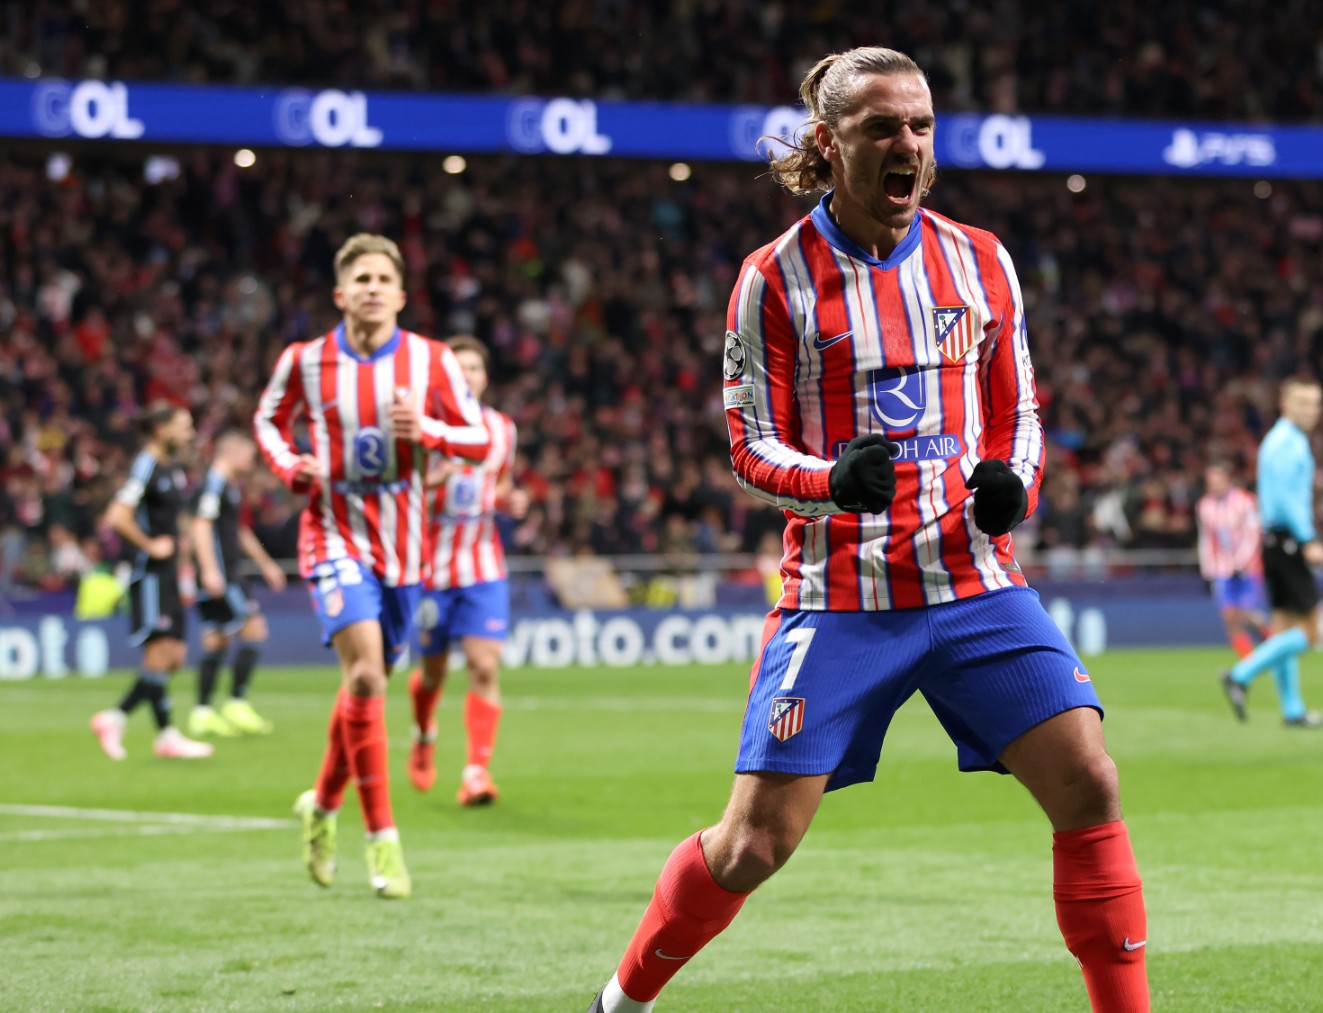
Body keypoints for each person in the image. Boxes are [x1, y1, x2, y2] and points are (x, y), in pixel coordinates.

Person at [586, 47, 1149, 1013]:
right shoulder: (772, 279)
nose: (909, 146)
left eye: (921, 126)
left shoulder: (981, 259)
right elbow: (750, 445)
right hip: (840, 598)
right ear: (829, 141)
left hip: (975, 582)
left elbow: (1017, 409)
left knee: (1089, 781)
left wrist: (1015, 479)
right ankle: (621, 1001)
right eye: (883, 127)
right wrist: (829, 481)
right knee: (752, 845)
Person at [254, 234, 490, 900]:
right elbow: (268, 421)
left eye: (384, 277)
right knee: (364, 674)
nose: (373, 286)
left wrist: (432, 431)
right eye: (360, 277)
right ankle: (382, 839)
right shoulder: (304, 362)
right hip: (332, 535)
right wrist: (288, 464)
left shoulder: (432, 361)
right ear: (340, 293)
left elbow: (479, 439)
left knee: (365, 685)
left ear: (401, 294)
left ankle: (321, 806)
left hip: (406, 550)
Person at [406, 335, 526, 806]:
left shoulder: (502, 429)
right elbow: (399, 494)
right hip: (431, 571)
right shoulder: (422, 429)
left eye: (474, 368)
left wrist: (510, 500)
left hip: (482, 566)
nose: (468, 376)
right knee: (432, 673)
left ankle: (476, 771)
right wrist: (427, 480)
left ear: (484, 377)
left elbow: (500, 485)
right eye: (459, 369)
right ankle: (423, 734)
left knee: (483, 664)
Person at [89, 405, 214, 760]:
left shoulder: (171, 469)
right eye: (183, 426)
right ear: (161, 429)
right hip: (150, 573)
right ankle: (148, 729)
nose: (189, 433)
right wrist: (150, 545)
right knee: (161, 653)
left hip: (170, 572)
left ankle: (133, 724)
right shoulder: (145, 465)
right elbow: (117, 515)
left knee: (173, 656)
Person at [1219, 380, 1323, 728]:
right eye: (1302, 403)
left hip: (1274, 543)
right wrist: (1308, 538)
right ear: (1285, 404)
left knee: (1282, 627)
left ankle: (1292, 709)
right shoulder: (1289, 444)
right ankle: (1241, 674)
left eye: (1314, 403)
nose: (1310, 410)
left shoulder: (1279, 440)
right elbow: (1285, 500)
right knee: (1310, 633)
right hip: (1288, 541)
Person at [187, 430, 287, 738]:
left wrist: (265, 563)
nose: (251, 460)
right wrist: (209, 570)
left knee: (217, 640)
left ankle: (202, 712)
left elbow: (239, 531)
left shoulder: (228, 487)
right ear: (230, 453)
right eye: (247, 454)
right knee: (254, 630)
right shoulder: (214, 484)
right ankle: (236, 703)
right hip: (223, 574)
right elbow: (200, 525)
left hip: (224, 571)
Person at [1197, 461, 1267, 660]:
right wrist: (1207, 567)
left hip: (1247, 568)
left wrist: (1241, 561)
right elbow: (1206, 538)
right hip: (1222, 569)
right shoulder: (1204, 505)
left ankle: (1271, 638)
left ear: (1228, 480)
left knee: (1247, 612)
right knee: (1228, 615)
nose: (1215, 486)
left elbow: (1253, 534)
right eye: (1211, 483)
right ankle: (1248, 660)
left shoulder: (1245, 501)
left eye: (1219, 481)